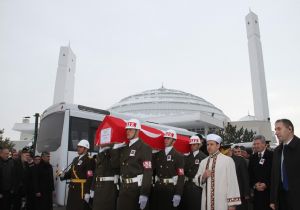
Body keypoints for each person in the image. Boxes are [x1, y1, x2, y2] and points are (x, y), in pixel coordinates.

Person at [112, 119, 153, 210]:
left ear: (137, 131)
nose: (128, 131)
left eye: (131, 129)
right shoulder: (124, 148)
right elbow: (115, 165)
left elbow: (148, 171)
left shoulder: (144, 147)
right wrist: (115, 149)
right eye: (127, 129)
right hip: (123, 189)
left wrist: (144, 193)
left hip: (136, 190)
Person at [195, 134, 241, 210]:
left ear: (218, 145)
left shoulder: (228, 161)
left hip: (222, 203)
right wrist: (203, 177)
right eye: (207, 144)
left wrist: (232, 204)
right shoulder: (203, 162)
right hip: (206, 203)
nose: (209, 147)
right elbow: (196, 180)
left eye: (212, 144)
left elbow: (232, 183)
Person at [270, 119, 300, 210]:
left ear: (290, 129)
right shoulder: (277, 151)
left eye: (279, 129)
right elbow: (274, 176)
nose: (276, 132)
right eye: (275, 130)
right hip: (282, 199)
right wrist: (273, 199)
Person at [151, 129, 185, 210]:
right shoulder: (158, 154)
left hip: (170, 189)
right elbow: (152, 169)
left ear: (174, 141)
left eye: (168, 138)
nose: (165, 140)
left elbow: (181, 176)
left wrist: (178, 193)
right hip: (158, 188)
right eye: (165, 138)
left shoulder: (178, 156)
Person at [59, 139, 94, 210]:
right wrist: (62, 174)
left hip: (81, 190)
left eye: (80, 147)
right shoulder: (75, 159)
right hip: (73, 189)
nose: (78, 148)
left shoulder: (89, 160)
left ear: (86, 149)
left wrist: (87, 192)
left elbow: (90, 177)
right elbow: (70, 173)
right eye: (78, 147)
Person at [180, 135, 207, 210]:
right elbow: (183, 170)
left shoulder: (204, 157)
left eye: (194, 144)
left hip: (196, 186)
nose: (192, 146)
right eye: (191, 145)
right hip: (186, 185)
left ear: (199, 145)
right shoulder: (187, 156)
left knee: (195, 206)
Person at [248, 135, 273, 210]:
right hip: (257, 195)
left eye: (257, 144)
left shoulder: (272, 155)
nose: (255, 146)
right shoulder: (252, 157)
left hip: (269, 194)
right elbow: (250, 174)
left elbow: (275, 174)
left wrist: (266, 184)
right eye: (254, 144)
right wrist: (255, 184)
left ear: (264, 144)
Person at [91, 145, 119, 210]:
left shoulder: (113, 151)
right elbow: (96, 172)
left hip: (108, 187)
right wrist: (92, 188)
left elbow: (112, 165)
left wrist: (107, 150)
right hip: (98, 187)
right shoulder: (101, 152)